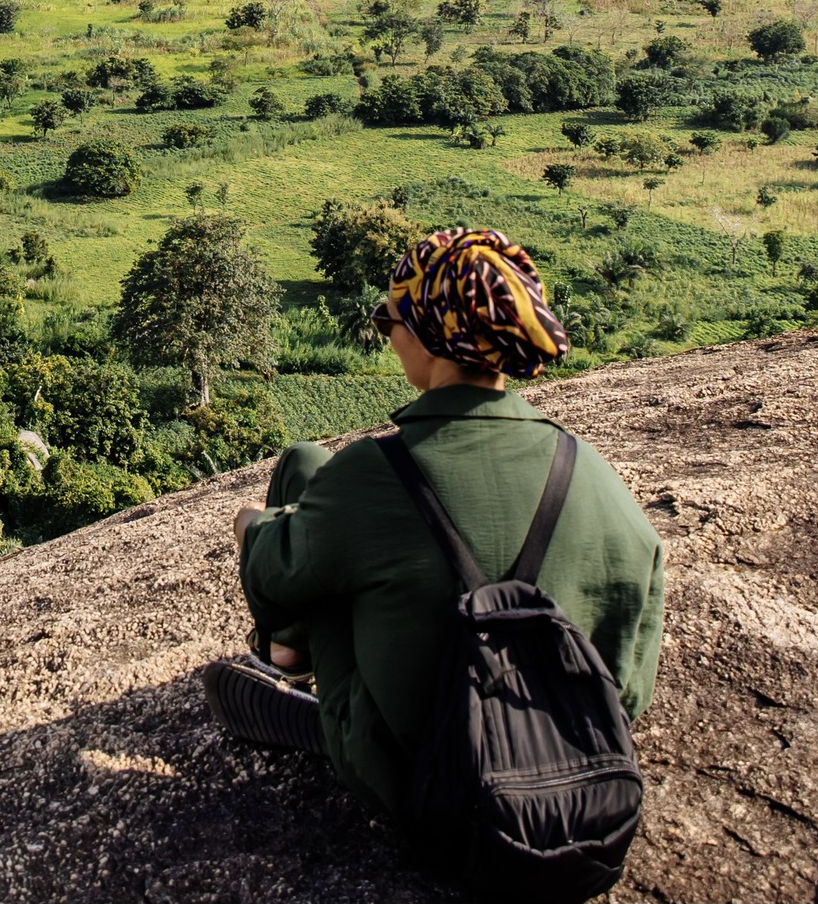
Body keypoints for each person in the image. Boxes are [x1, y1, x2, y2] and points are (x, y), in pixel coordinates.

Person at [202, 226, 664, 825]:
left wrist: (252, 525)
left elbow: (270, 575)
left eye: (392, 319)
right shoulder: (593, 475)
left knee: (309, 505)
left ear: (433, 336)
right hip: (578, 793)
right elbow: (629, 690)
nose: (388, 334)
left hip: (423, 792)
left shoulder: (377, 472)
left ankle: (313, 690)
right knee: (325, 492)